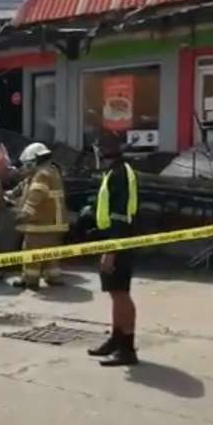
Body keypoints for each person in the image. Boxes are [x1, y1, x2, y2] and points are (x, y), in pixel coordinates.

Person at [87, 133, 139, 367]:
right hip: (111, 238)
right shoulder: (114, 172)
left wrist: (112, 250)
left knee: (121, 294)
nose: (96, 152)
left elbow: (121, 214)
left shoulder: (119, 174)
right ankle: (116, 339)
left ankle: (127, 348)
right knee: (115, 294)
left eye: (98, 147)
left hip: (118, 240)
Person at [11, 142, 68, 290]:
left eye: (26, 164)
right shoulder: (50, 171)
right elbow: (24, 185)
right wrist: (12, 194)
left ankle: (30, 279)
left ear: (34, 161)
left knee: (31, 251)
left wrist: (25, 213)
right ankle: (53, 276)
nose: (25, 167)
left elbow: (36, 195)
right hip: (54, 222)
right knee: (51, 252)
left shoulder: (42, 174)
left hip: (41, 222)